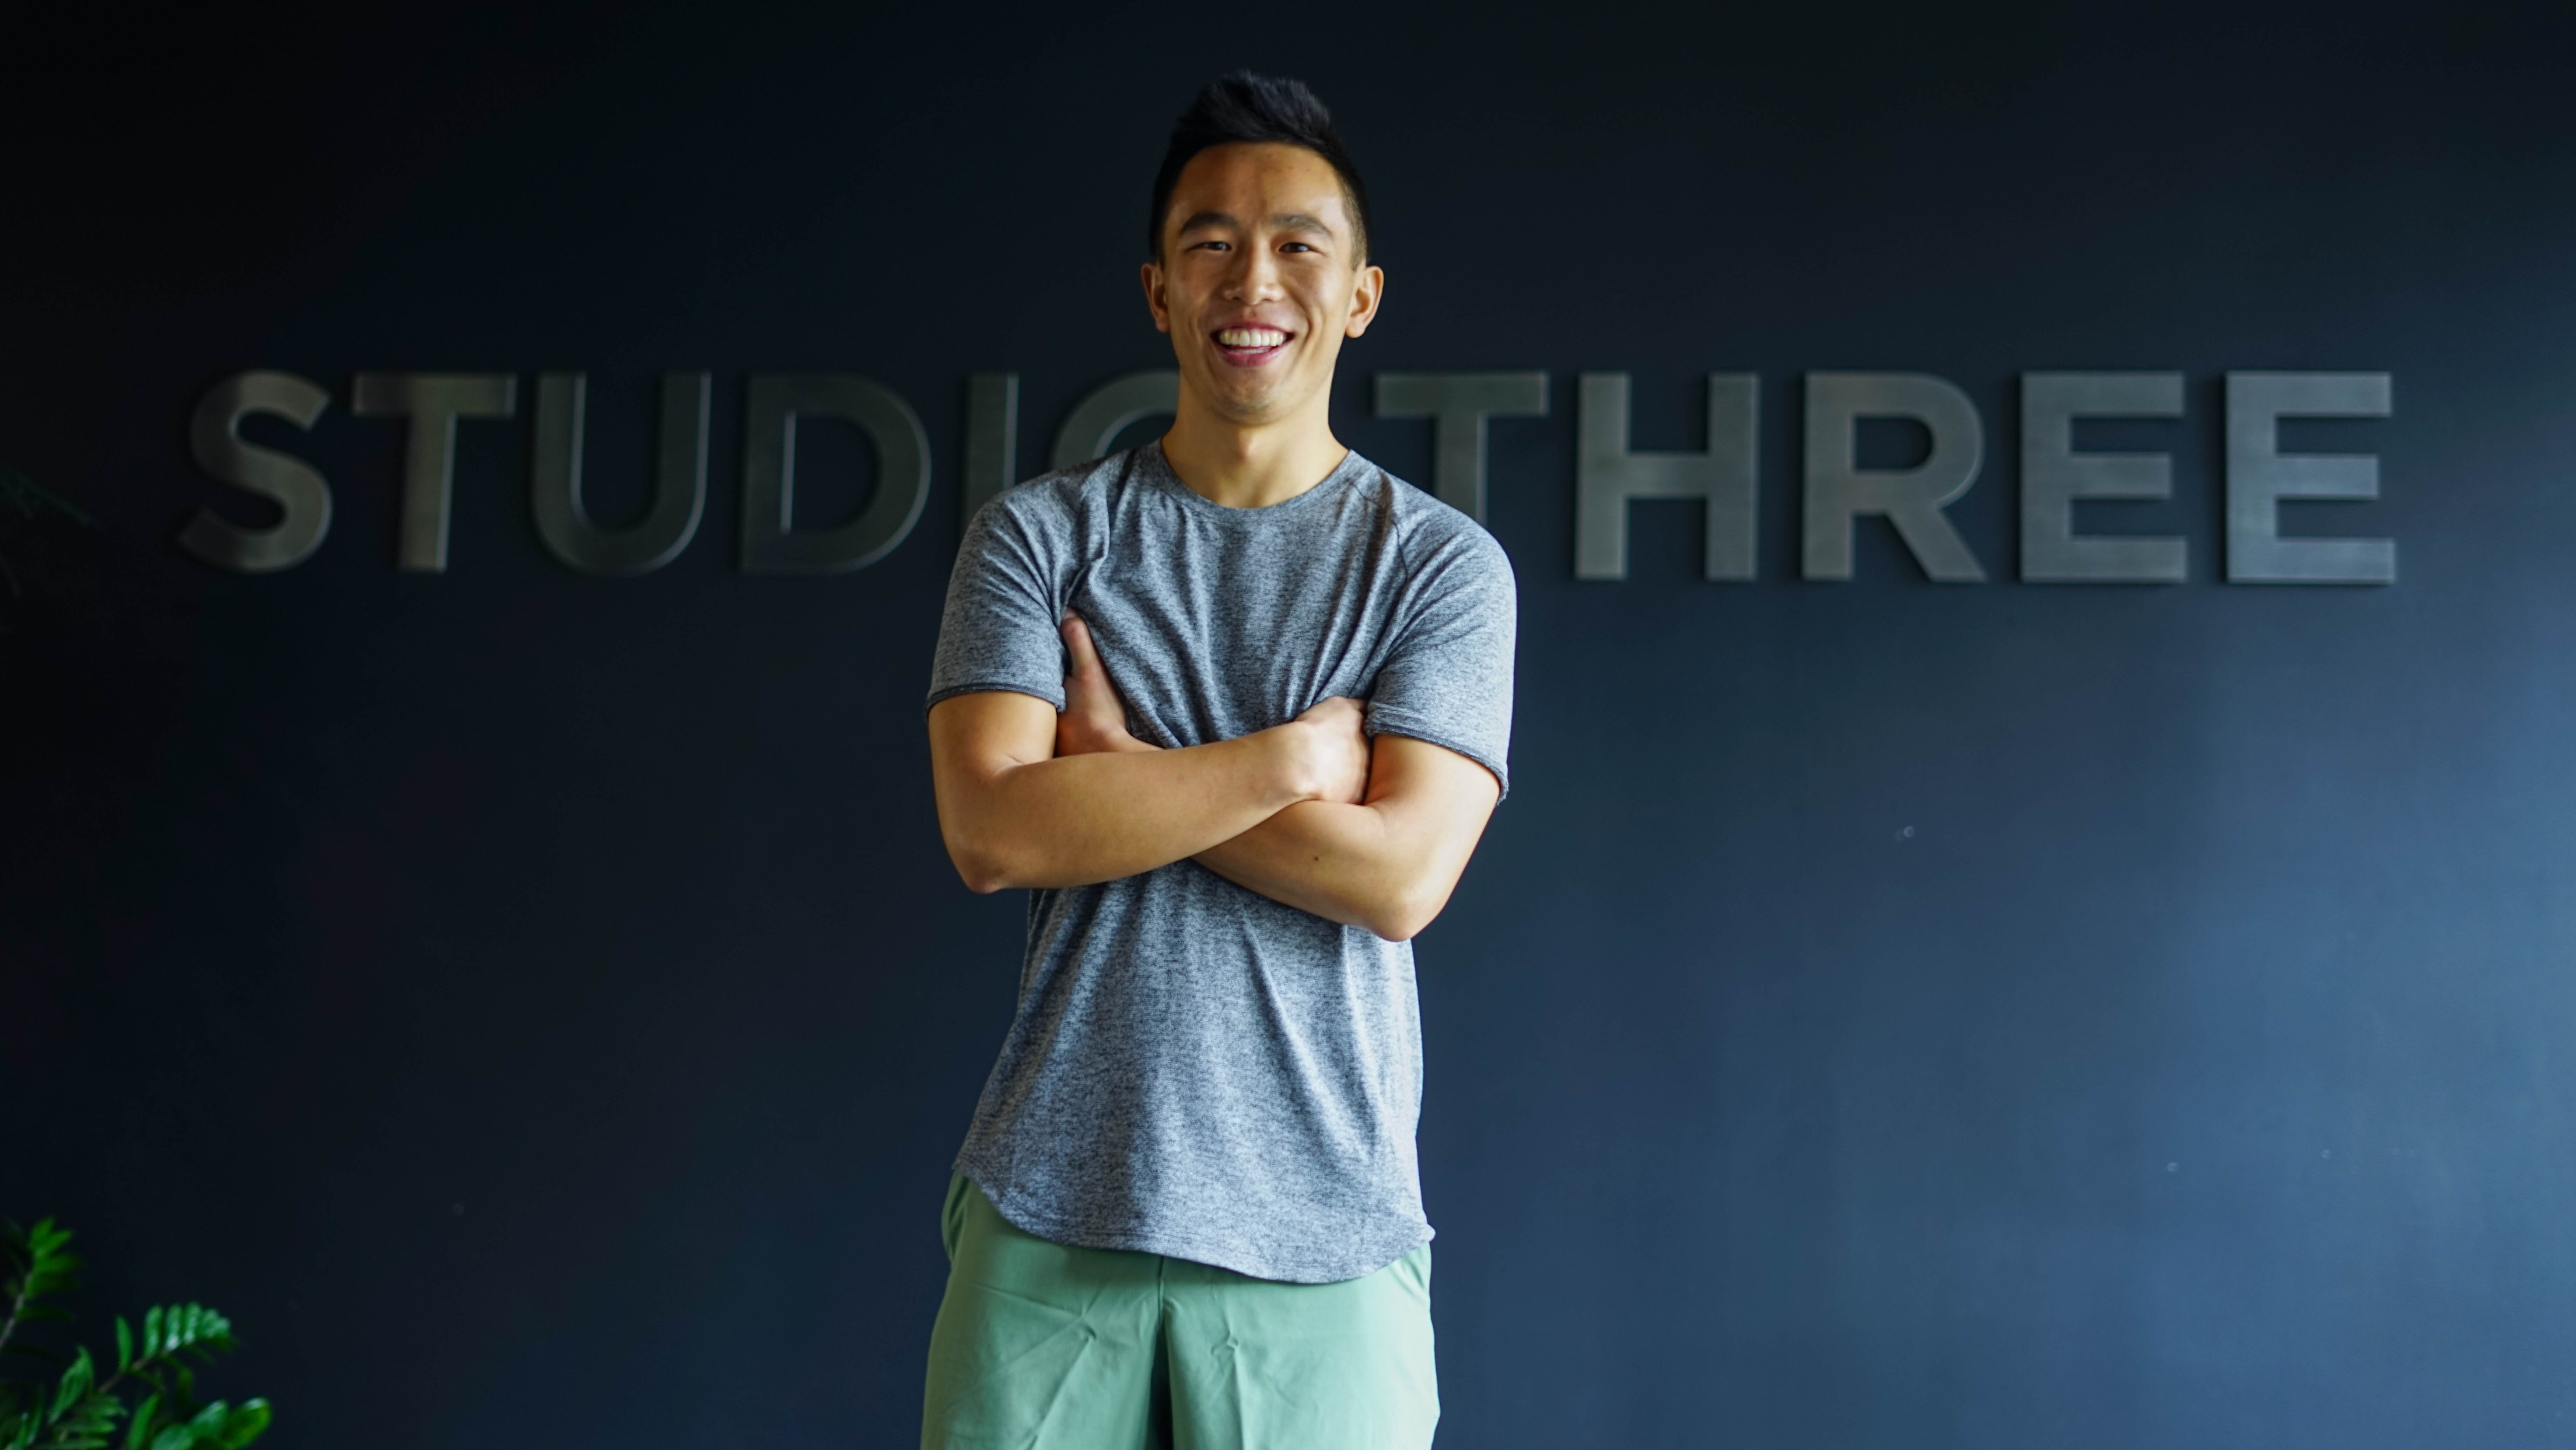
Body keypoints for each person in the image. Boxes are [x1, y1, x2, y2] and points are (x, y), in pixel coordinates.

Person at [918, 71, 1516, 1449]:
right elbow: (993, 831)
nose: (1254, 280)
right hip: (1047, 1220)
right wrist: (1292, 761)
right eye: (1211, 243)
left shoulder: (1437, 568)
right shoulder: (1037, 539)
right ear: (1158, 291)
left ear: (1359, 294)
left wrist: (1118, 768)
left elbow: (1399, 880)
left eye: (1299, 244)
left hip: (1326, 1240)